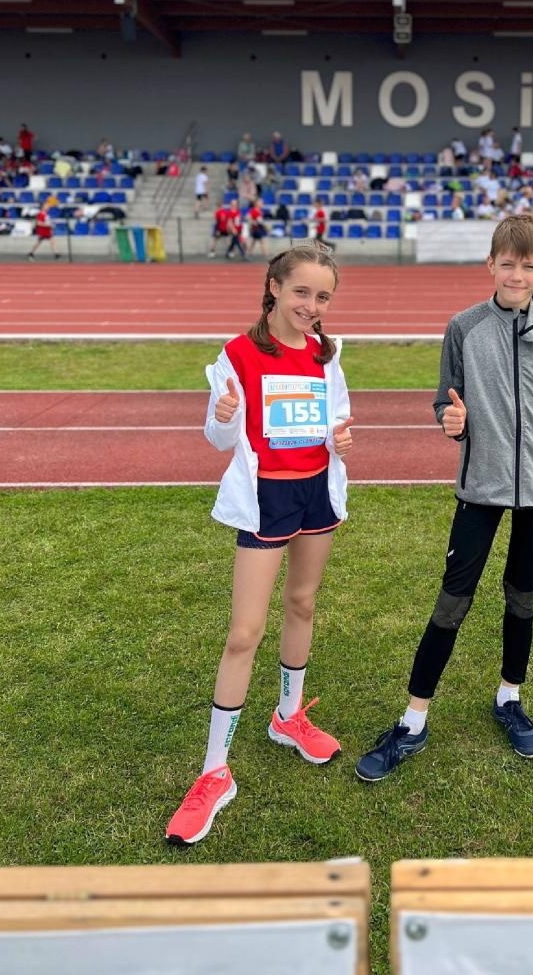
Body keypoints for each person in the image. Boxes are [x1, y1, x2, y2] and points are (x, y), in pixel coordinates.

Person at [354, 215, 533, 782]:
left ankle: (509, 698)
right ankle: (412, 722)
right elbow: (445, 402)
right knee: (453, 600)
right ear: (491, 264)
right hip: (481, 487)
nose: (517, 274)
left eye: (529, 266)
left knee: (522, 597)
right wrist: (452, 420)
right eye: (507, 263)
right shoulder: (464, 326)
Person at [165, 246, 354, 846]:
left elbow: (337, 416)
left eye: (322, 297)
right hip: (267, 498)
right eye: (301, 292)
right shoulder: (239, 354)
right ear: (273, 287)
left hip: (316, 494)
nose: (311, 306)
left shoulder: (327, 352)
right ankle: (213, 772)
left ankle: (287, 716)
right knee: (244, 632)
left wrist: (340, 438)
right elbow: (219, 437)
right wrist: (224, 414)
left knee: (303, 603)